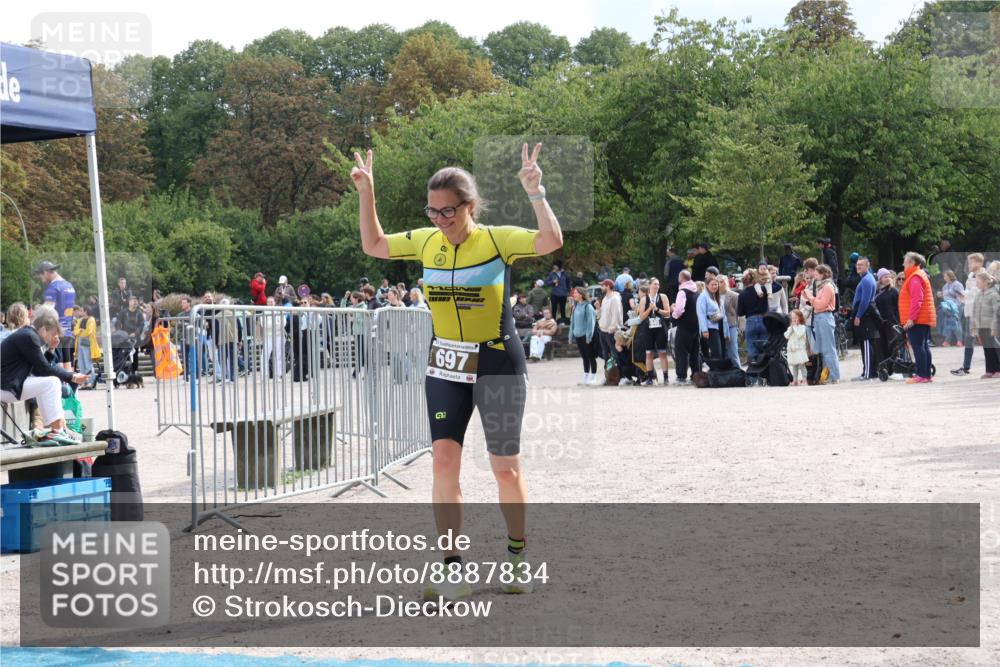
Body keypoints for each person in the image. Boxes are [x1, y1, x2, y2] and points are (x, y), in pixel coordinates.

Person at [352, 142, 562, 601]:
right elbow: (375, 245)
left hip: (497, 363)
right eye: (433, 211)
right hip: (445, 364)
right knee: (444, 462)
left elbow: (550, 241)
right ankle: (453, 567)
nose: (440, 220)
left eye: (448, 211)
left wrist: (536, 193)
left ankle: (517, 557)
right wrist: (367, 193)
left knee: (505, 469)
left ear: (469, 206)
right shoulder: (426, 241)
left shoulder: (496, 240)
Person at [0, 306, 89, 442]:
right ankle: (58, 430)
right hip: (5, 387)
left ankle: (56, 429)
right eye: (52, 334)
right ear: (43, 330)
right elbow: (44, 369)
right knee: (52, 383)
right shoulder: (28, 337)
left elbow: (40, 370)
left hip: (8, 385)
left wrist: (51, 349)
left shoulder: (29, 335)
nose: (53, 338)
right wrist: (72, 377)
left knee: (49, 383)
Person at [898, 252, 936, 384]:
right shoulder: (918, 275)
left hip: (918, 319)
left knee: (918, 346)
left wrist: (911, 318)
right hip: (923, 317)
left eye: (905, 261)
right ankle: (926, 375)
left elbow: (917, 299)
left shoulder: (915, 277)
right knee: (923, 346)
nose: (903, 264)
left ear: (912, 263)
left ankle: (922, 375)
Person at [800, 264, 840, 384]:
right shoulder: (821, 286)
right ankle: (825, 375)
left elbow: (820, 304)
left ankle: (834, 376)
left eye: (817, 273)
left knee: (828, 348)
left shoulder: (828, 286)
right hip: (819, 318)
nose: (815, 276)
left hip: (825, 317)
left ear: (823, 274)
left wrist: (810, 296)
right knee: (821, 349)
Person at [36, 261, 76, 371]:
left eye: (40, 274)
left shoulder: (53, 287)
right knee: (68, 365)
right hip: (68, 332)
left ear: (45, 272)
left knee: (58, 367)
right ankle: (70, 382)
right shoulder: (69, 285)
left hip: (56, 332)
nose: (40, 278)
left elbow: (47, 310)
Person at [952, 253, 986, 376]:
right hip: (970, 311)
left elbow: (979, 293)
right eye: (969, 262)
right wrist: (963, 296)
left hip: (979, 313)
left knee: (989, 340)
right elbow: (969, 292)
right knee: (969, 339)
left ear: (979, 263)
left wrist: (965, 295)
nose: (969, 264)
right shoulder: (971, 276)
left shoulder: (984, 276)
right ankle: (965, 367)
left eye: (971, 262)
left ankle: (994, 365)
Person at [637, 278, 671, 386]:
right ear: (650, 285)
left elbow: (668, 312)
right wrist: (649, 309)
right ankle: (650, 377)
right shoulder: (644, 299)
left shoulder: (663, 297)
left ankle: (666, 378)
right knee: (649, 353)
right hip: (648, 328)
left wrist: (656, 309)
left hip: (660, 328)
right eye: (655, 284)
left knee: (662, 352)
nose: (657, 286)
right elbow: (641, 317)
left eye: (658, 284)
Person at [850, 257, 879, 381]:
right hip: (864, 314)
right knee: (866, 344)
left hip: (865, 315)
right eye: (857, 264)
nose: (858, 267)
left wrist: (858, 315)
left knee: (866, 343)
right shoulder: (866, 278)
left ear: (867, 265)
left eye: (861, 265)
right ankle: (868, 371)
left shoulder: (867, 280)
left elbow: (865, 301)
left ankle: (868, 373)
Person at [671, 271, 700, 385]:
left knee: (681, 351)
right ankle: (695, 374)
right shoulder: (696, 291)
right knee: (695, 352)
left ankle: (681, 376)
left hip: (684, 325)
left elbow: (679, 310)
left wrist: (673, 313)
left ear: (681, 278)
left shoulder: (682, 292)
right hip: (696, 325)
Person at [737, 269, 772, 361]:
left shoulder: (742, 294)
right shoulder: (763, 289)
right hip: (764, 319)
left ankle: (754, 368)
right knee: (765, 347)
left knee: (752, 349)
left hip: (750, 321)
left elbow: (740, 312)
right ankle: (766, 367)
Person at [970, 271, 1000, 378]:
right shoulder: (978, 295)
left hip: (992, 327)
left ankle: (998, 370)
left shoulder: (994, 295)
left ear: (986, 282)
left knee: (996, 349)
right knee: (987, 349)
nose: (976, 284)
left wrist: (995, 328)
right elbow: (974, 312)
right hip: (982, 327)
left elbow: (997, 312)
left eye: (978, 281)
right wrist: (974, 327)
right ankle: (989, 370)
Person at [697, 276, 730, 361]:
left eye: (716, 284)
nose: (715, 286)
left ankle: (719, 369)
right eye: (712, 284)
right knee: (717, 353)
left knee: (723, 353)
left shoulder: (717, 296)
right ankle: (715, 369)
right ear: (707, 285)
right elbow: (701, 314)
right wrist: (704, 330)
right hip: (710, 328)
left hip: (720, 327)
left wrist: (726, 333)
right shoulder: (703, 297)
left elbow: (723, 315)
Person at [569, 286, 598, 385]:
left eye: (575, 293)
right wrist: (570, 336)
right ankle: (585, 377)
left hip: (586, 336)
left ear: (581, 295)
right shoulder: (575, 306)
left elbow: (591, 323)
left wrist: (589, 336)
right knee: (584, 357)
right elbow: (572, 322)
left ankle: (593, 377)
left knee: (590, 356)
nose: (574, 294)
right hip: (578, 336)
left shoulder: (588, 307)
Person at [72, 304, 102, 388]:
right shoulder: (80, 320)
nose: (80, 312)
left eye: (81, 310)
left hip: (88, 344)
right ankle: (84, 382)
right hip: (79, 344)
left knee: (88, 363)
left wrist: (80, 332)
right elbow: (75, 331)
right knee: (81, 364)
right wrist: (80, 331)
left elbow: (88, 332)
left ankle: (91, 382)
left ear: (86, 311)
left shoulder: (91, 319)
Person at [717, 277, 741, 369]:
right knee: (723, 350)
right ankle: (726, 371)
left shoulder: (734, 295)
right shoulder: (714, 296)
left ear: (726, 282)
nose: (719, 284)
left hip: (731, 324)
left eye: (721, 281)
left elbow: (739, 312)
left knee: (732, 349)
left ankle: (738, 369)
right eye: (717, 282)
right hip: (718, 325)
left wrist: (739, 326)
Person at [937, 270, 964, 346]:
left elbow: (961, 296)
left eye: (945, 276)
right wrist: (941, 295)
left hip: (956, 306)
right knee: (947, 323)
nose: (944, 277)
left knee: (956, 323)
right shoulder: (945, 286)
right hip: (947, 307)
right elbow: (946, 297)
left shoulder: (957, 284)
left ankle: (959, 341)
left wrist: (956, 306)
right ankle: (947, 341)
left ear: (949, 276)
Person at [597, 279, 622, 361]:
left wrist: (611, 329)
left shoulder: (615, 299)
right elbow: (601, 315)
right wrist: (598, 308)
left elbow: (616, 315)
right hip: (603, 331)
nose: (601, 287)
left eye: (603, 285)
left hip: (610, 332)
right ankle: (608, 369)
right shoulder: (605, 298)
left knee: (614, 355)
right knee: (605, 354)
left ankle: (617, 370)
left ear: (608, 286)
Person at [784, 309, 810, 386]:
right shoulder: (791, 328)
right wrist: (791, 328)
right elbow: (786, 336)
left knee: (802, 365)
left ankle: (805, 380)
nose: (794, 319)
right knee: (794, 366)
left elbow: (799, 334)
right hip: (792, 350)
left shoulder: (802, 327)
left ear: (800, 318)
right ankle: (795, 380)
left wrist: (794, 327)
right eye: (792, 318)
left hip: (800, 349)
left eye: (796, 317)